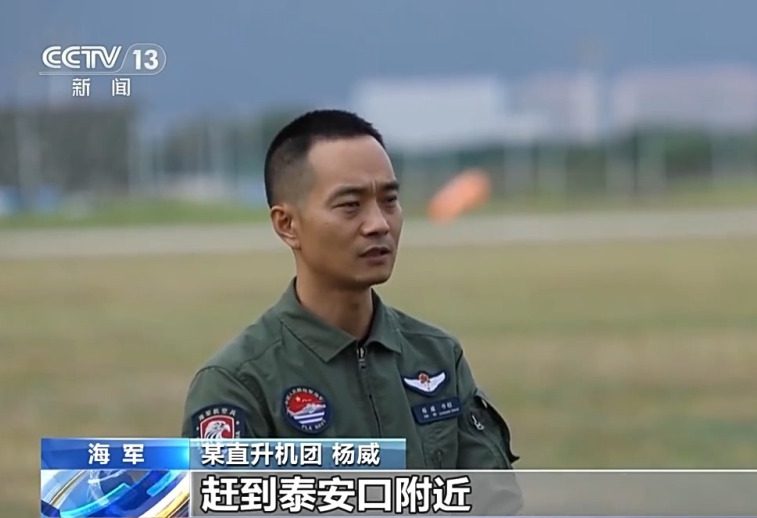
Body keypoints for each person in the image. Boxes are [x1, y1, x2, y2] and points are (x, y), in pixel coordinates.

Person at [180, 109, 520, 478]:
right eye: (350, 205)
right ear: (287, 224)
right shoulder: (239, 383)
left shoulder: (437, 356)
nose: (378, 224)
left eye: (389, 200)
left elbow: (492, 497)